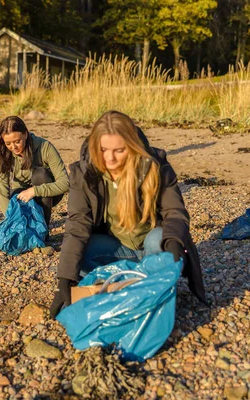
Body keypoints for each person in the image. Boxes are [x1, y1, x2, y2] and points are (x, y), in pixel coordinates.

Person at [50, 110, 206, 317]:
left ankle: (146, 285)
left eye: (119, 150)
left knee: (159, 239)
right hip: (117, 248)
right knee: (83, 249)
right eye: (103, 149)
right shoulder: (83, 174)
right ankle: (134, 284)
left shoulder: (156, 167)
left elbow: (175, 213)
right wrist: (65, 279)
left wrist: (175, 244)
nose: (109, 158)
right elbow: (77, 225)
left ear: (132, 147)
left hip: (151, 247)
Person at [0, 116, 69, 228]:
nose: (13, 147)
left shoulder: (45, 147)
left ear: (25, 134)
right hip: (21, 194)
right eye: (8, 143)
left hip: (47, 194)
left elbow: (65, 183)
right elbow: (1, 189)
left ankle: (43, 229)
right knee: (17, 214)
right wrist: (10, 218)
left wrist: (34, 191)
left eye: (17, 141)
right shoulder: (4, 153)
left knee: (41, 174)